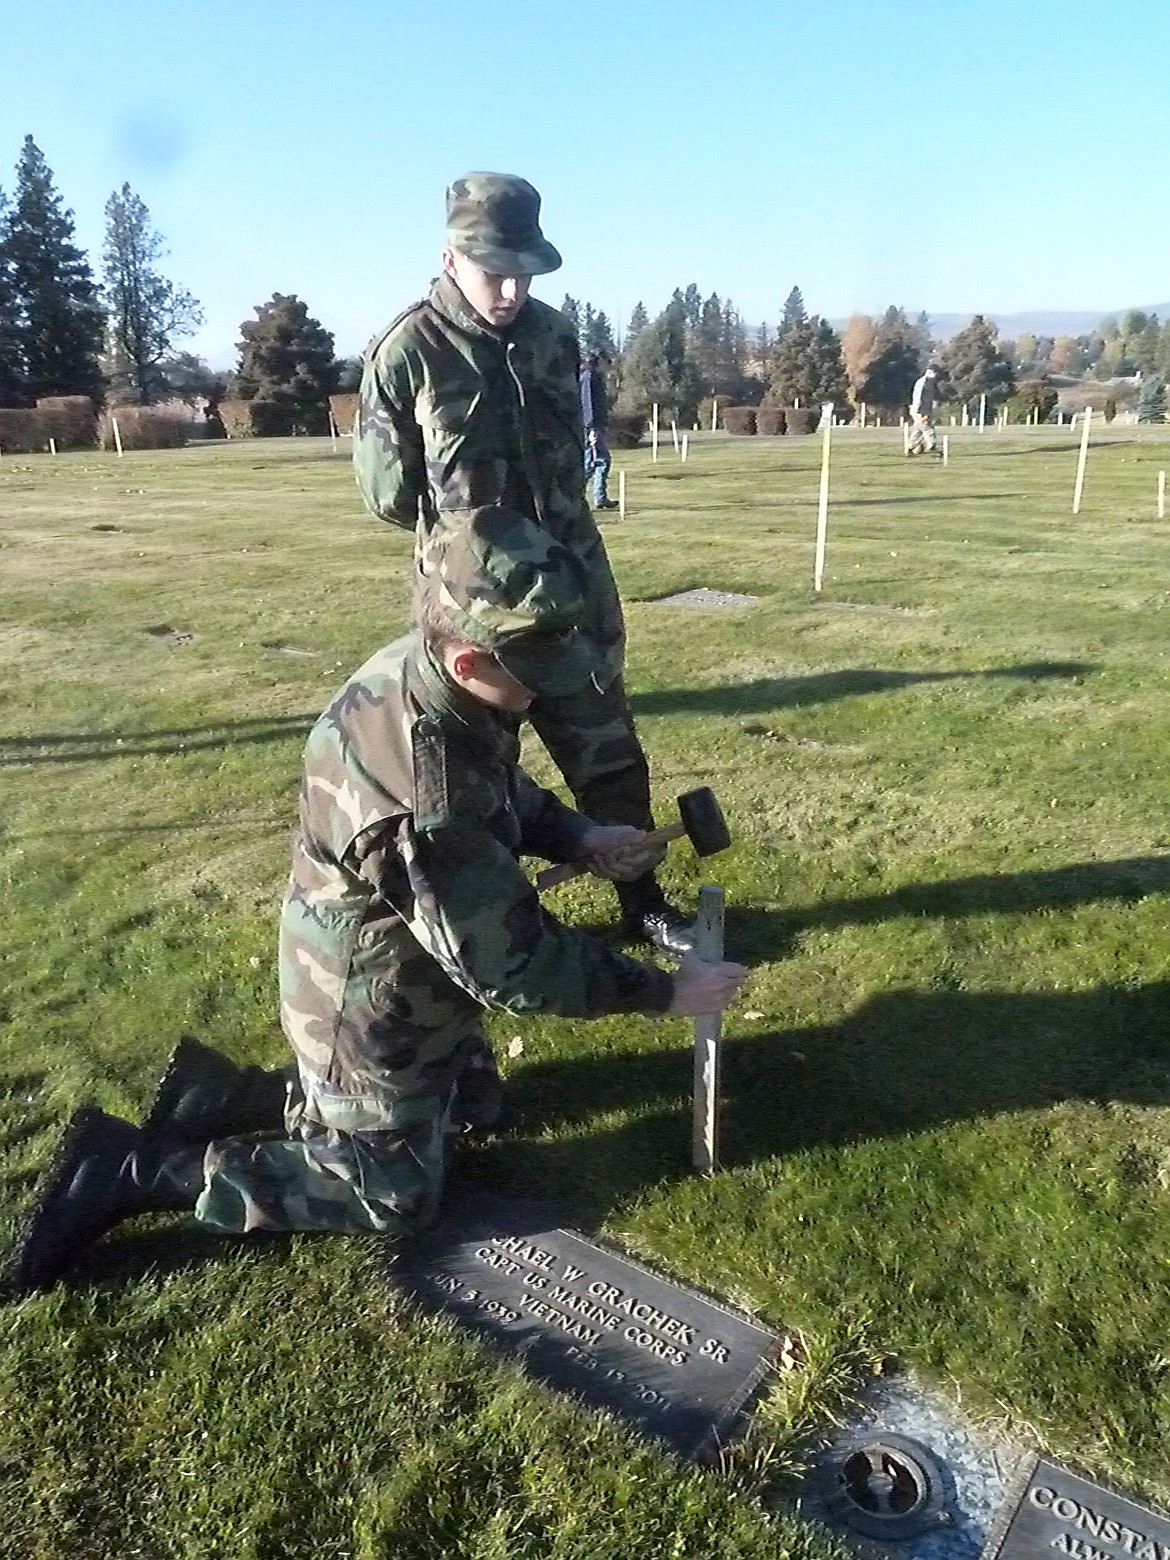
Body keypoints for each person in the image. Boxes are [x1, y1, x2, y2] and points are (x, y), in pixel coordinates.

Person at [12, 512, 747, 1296]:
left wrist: (578, 836)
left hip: (411, 957)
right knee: (391, 1193)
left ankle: (227, 1095)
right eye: (537, 665)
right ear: (469, 657)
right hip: (361, 999)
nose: (547, 685)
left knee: (477, 1106)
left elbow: (501, 793)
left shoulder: (432, 674)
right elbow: (513, 965)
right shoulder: (423, 798)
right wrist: (665, 991)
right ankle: (131, 1167)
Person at [352, 171, 695, 956]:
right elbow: (387, 494)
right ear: (448, 257)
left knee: (609, 751)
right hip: (475, 612)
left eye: (524, 272)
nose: (510, 289)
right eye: (492, 271)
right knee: (473, 773)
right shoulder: (406, 352)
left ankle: (641, 899)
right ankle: (498, 926)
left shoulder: (555, 338)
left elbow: (582, 443)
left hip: (573, 590)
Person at [580, 349, 617, 510]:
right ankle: (578, 495)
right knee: (597, 462)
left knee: (596, 463)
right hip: (590, 428)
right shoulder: (589, 376)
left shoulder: (591, 375)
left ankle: (599, 498)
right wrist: (592, 427)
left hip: (594, 426)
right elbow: (588, 404)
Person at [907, 364, 942, 456]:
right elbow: (918, 398)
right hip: (920, 410)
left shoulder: (931, 383)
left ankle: (910, 447)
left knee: (918, 429)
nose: (936, 375)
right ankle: (932, 447)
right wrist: (922, 412)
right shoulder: (923, 383)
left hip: (925, 409)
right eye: (935, 372)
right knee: (927, 428)